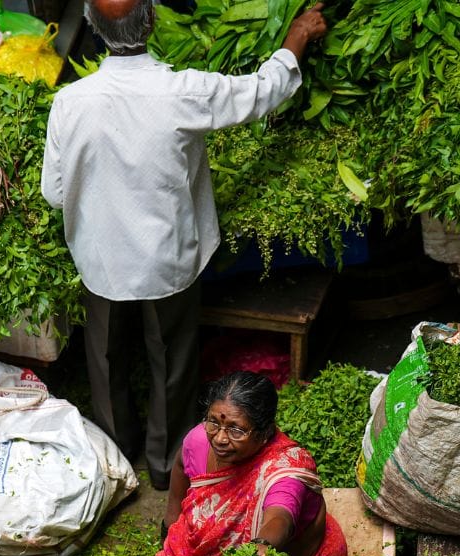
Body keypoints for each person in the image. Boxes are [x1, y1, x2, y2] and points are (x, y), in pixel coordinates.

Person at [40, 0, 328, 491]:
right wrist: (295, 39)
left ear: (92, 29)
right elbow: (260, 92)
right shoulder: (184, 91)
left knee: (105, 359)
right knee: (170, 359)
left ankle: (114, 457)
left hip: (101, 257)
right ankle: (165, 464)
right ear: (150, 22)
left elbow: (53, 192)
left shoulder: (72, 101)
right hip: (167, 259)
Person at [118, 371, 348, 556]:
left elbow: (280, 516)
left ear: (264, 434)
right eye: (213, 422)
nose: (220, 438)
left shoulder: (285, 471)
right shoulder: (200, 440)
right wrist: (169, 529)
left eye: (236, 430)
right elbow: (181, 465)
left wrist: (261, 547)